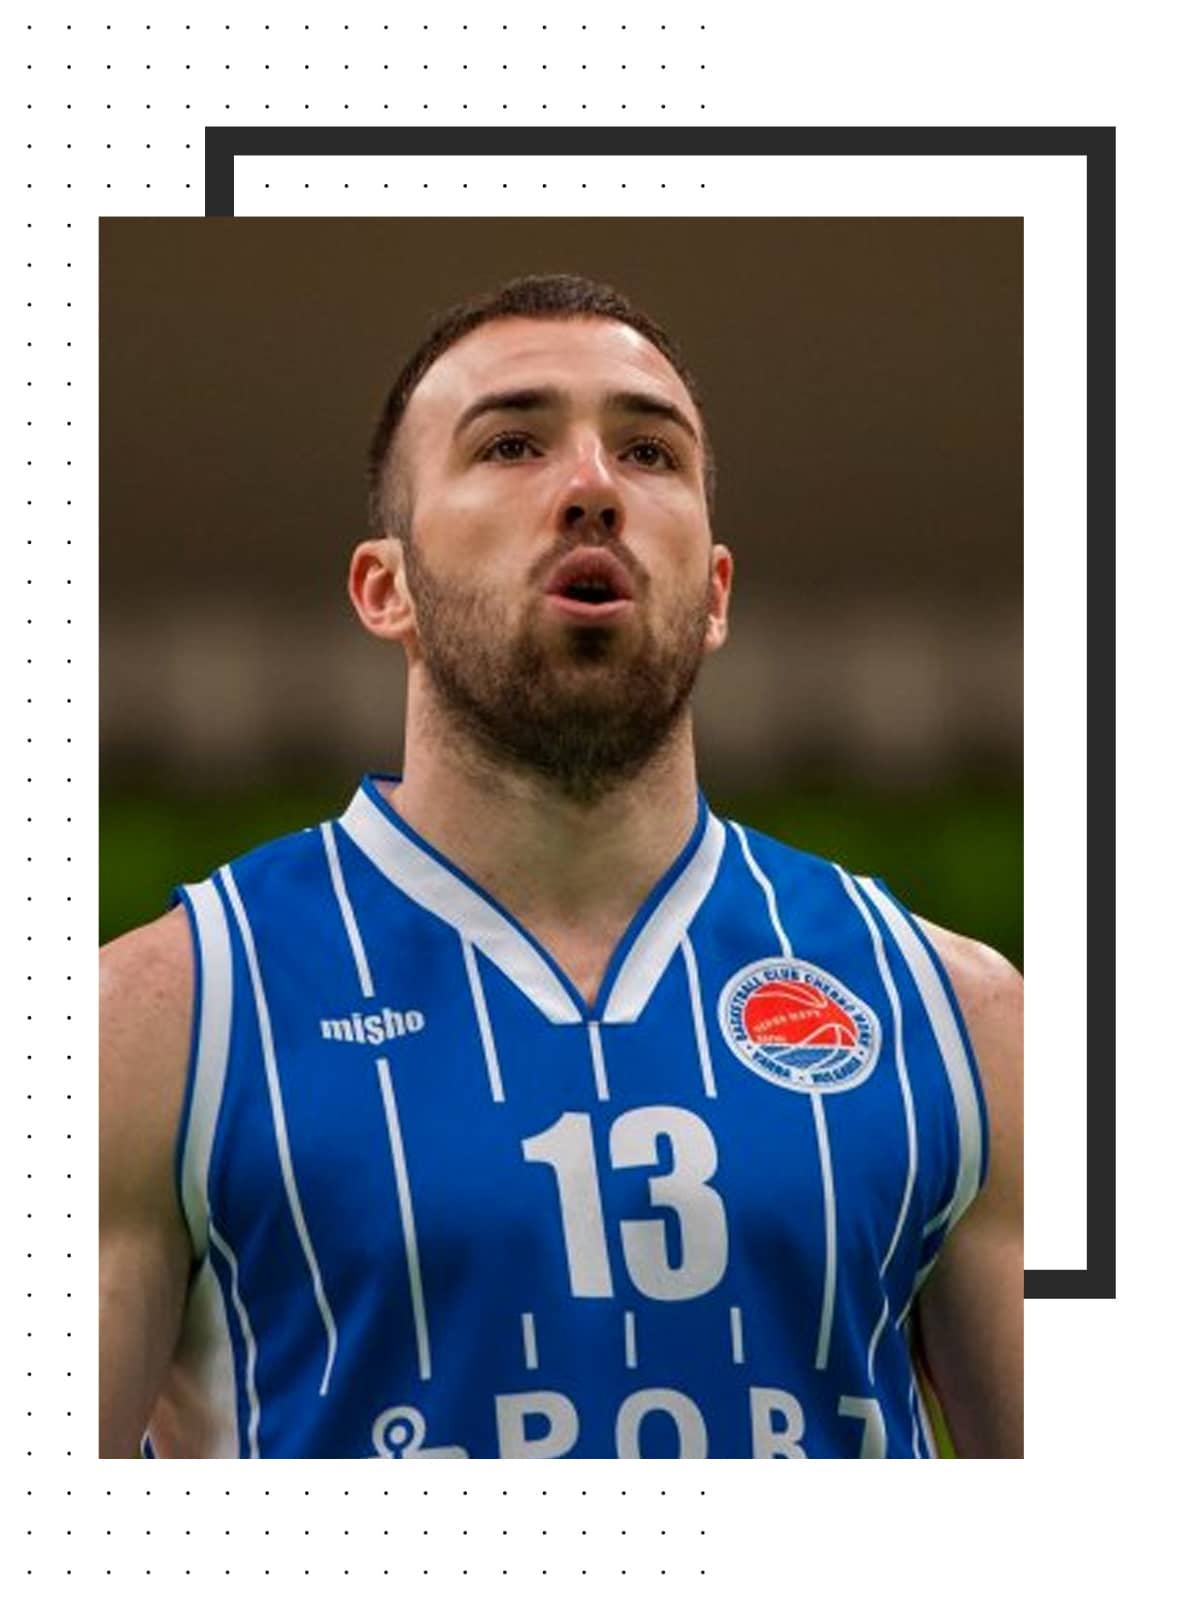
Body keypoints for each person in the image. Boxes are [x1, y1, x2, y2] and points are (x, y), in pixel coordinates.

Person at [99, 273, 1023, 1459]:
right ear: (386, 588)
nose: (593, 486)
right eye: (513, 444)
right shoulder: (155, 1023)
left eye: (649, 452)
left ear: (716, 594)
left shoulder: (964, 1018)